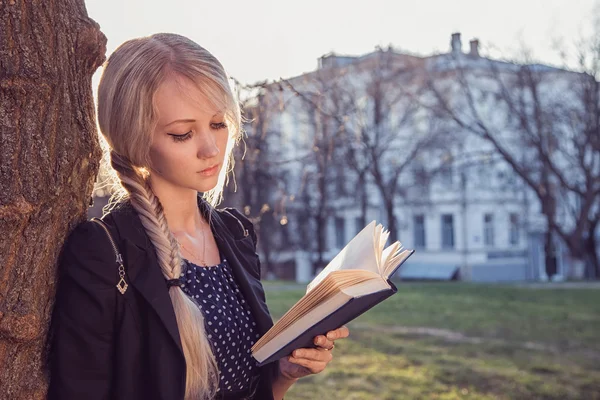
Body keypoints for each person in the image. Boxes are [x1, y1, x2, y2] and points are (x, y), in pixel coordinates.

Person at [47, 33, 349, 400]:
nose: (210, 149)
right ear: (133, 138)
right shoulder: (102, 252)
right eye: (182, 134)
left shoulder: (235, 233)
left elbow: (250, 387)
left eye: (219, 124)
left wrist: (284, 374)